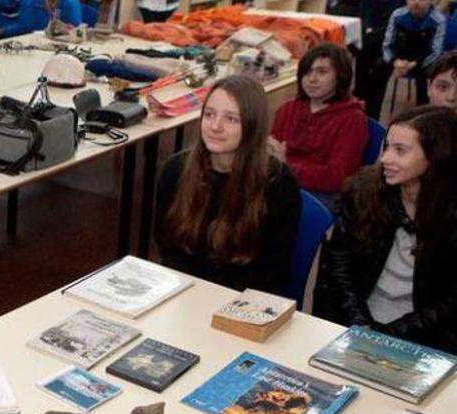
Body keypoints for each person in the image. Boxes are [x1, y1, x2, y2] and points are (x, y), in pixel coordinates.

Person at [313, 105, 457, 355]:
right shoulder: (362, 194)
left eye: (400, 151)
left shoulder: (450, 213)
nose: (385, 158)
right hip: (355, 322)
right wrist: (360, 324)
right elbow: (339, 266)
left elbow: (450, 303)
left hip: (428, 338)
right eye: (386, 146)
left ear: (435, 156)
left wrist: (389, 335)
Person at [155, 75, 301, 295]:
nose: (215, 126)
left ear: (253, 125)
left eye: (231, 119)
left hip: (244, 302)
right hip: (185, 295)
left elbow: (270, 272)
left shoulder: (278, 183)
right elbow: (169, 248)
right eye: (209, 114)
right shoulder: (176, 170)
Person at [268, 43, 368, 203]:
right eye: (307, 72)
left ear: (340, 76)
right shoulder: (287, 109)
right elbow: (271, 156)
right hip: (280, 182)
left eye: (322, 72)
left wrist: (286, 168)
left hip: (320, 195)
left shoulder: (353, 119)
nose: (312, 79)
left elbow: (337, 178)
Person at [382, 0, 447, 107]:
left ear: (432, 0)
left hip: (422, 59)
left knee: (425, 76)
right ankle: (372, 112)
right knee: (378, 68)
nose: (417, 1)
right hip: (398, 57)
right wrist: (394, 61)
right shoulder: (397, 15)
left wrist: (413, 65)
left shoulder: (438, 20)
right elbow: (387, 44)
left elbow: (435, 52)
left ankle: (421, 113)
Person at [356, 0, 407, 119]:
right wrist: (369, 30)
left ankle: (372, 114)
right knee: (362, 51)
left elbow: (398, 24)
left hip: (390, 45)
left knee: (379, 68)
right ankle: (358, 104)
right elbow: (364, 17)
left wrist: (374, 31)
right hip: (369, 41)